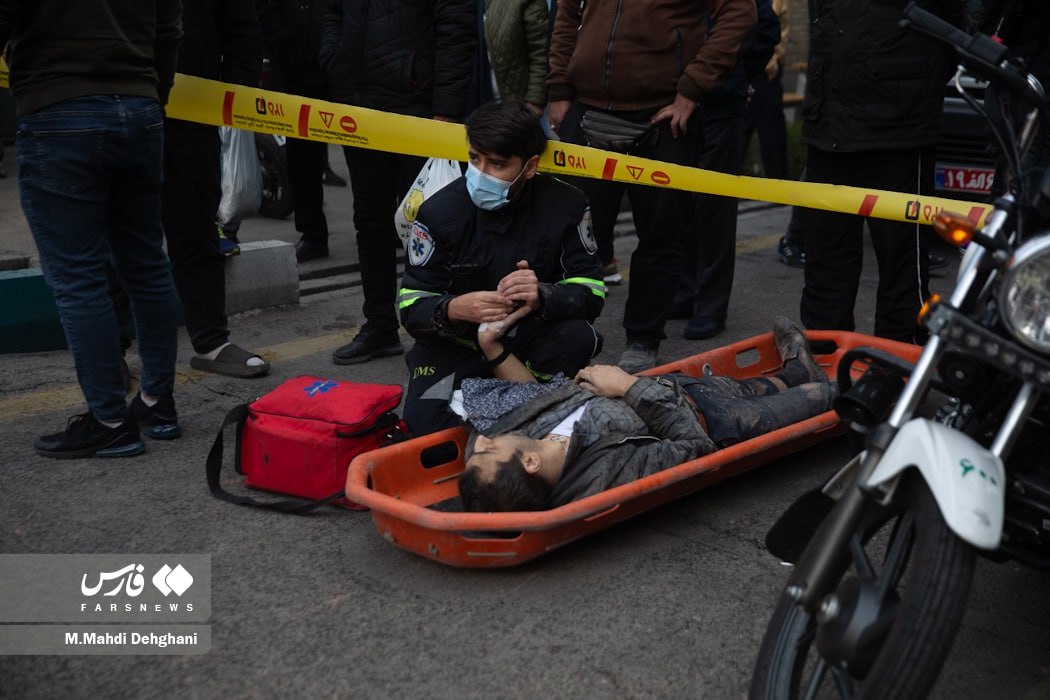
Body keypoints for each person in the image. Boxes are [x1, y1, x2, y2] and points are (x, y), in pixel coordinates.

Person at [1, 0, 183, 457]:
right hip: (140, 109)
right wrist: (151, 94)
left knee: (79, 277)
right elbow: (169, 30)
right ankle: (157, 404)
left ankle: (109, 421)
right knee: (147, 264)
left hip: (58, 111)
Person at [547, 0, 758, 373]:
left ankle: (643, 337)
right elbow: (568, 13)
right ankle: (563, 334)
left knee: (660, 235)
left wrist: (693, 87)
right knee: (575, 233)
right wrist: (559, 88)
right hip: (588, 108)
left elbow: (739, 12)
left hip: (661, 116)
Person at [458, 316, 835, 512]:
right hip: (718, 423)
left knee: (766, 385)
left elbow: (532, 396)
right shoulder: (608, 472)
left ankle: (794, 374)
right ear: (530, 463)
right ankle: (818, 385)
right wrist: (626, 387)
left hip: (677, 389)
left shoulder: (523, 441)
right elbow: (696, 448)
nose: (484, 441)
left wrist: (493, 349)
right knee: (827, 397)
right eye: (489, 451)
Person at [398, 100, 606, 436]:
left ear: (530, 166)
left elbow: (592, 290)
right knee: (429, 436)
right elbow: (411, 305)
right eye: (475, 159)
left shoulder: (567, 204)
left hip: (531, 339)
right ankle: (523, 415)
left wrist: (543, 295)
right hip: (458, 346)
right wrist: (453, 309)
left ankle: (544, 414)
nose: (481, 173)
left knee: (576, 339)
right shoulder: (438, 212)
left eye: (498, 164)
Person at [795, 0, 962, 344]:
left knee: (902, 264)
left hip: (898, 131)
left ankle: (896, 361)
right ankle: (824, 355)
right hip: (829, 127)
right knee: (826, 260)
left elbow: (952, 32)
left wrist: (907, 86)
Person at [320, 0, 476, 365]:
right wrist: (334, 63)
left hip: (417, 111)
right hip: (358, 110)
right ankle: (379, 326)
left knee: (432, 225)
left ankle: (438, 327)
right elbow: (332, 12)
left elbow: (456, 26)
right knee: (370, 222)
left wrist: (446, 109)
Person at [162, 0, 269, 379]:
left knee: (196, 230)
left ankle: (211, 342)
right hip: (114, 111)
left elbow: (242, 30)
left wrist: (232, 101)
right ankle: (112, 349)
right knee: (120, 237)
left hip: (193, 116)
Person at [672, 0, 780, 341]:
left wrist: (738, 76)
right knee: (681, 205)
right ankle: (686, 292)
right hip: (674, 103)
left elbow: (765, 28)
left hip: (720, 106)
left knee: (714, 210)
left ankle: (710, 306)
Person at [258, 0, 333, 262]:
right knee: (301, 161)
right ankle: (312, 234)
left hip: (336, 69)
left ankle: (382, 227)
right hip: (293, 72)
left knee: (364, 155)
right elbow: (266, 12)